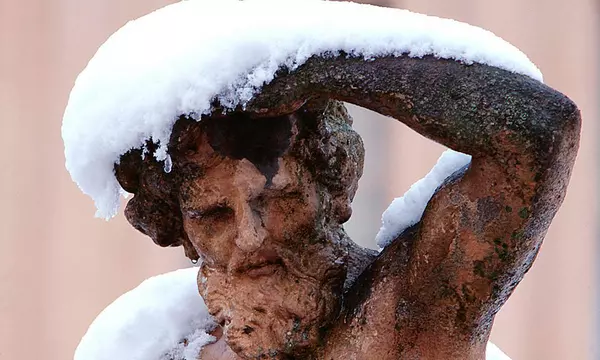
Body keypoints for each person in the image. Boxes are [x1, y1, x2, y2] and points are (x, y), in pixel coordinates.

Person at [114, 55, 581, 359]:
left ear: (331, 190)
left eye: (278, 199)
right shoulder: (175, 345)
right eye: (214, 216)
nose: (251, 236)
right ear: (179, 227)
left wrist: (321, 68)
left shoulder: (407, 306)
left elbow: (538, 133)